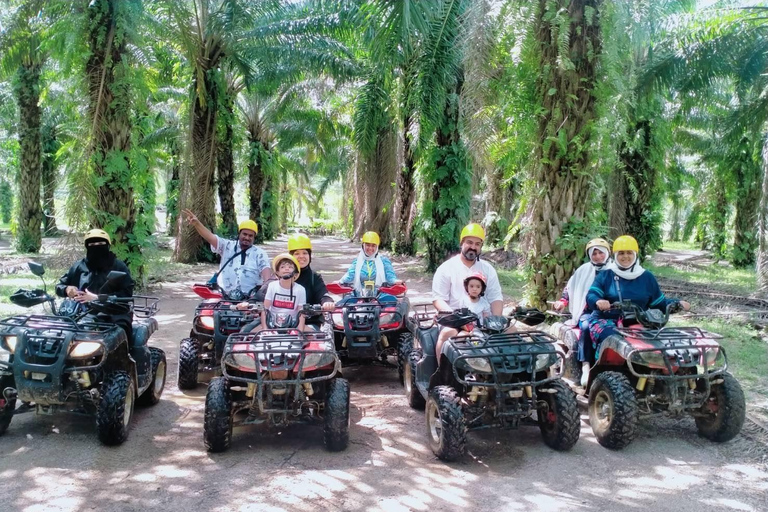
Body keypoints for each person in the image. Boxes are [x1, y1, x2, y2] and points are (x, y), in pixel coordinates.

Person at [585, 235, 690, 368]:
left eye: (629, 252)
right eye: (621, 253)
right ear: (615, 255)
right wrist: (598, 300)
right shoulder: (606, 275)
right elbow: (591, 295)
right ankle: (602, 372)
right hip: (607, 320)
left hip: (640, 321)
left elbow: (659, 303)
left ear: (635, 254)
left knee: (660, 343)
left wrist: (678, 303)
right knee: (612, 339)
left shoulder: (646, 277)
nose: (625, 257)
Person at [55, 229, 135, 338]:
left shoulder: (118, 266)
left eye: (101, 244)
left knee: (120, 333)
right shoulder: (79, 266)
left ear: (108, 245)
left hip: (113, 312)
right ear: (87, 247)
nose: (96, 247)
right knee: (58, 333)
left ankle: (126, 354)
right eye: (92, 244)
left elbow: (127, 293)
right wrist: (67, 289)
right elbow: (60, 286)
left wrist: (97, 298)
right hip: (80, 312)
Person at [553, 238, 611, 384]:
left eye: (601, 253)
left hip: (613, 313)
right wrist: (563, 301)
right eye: (594, 253)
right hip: (588, 311)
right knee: (586, 327)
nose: (598, 256)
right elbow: (571, 287)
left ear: (608, 253)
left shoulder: (616, 270)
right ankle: (586, 365)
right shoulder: (584, 270)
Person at [182, 209, 270, 300]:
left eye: (250, 236)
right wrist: (197, 224)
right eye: (244, 234)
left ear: (254, 237)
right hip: (223, 296)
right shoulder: (227, 246)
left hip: (250, 299)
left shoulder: (260, 254)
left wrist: (263, 293)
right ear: (239, 234)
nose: (247, 238)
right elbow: (210, 237)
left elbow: (267, 277)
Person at [432, 223, 503, 315]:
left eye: (477, 244)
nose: (473, 247)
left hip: (483, 320)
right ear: (462, 243)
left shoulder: (488, 269)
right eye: (469, 242)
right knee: (449, 330)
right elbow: (438, 299)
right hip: (453, 318)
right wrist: (455, 318)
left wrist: (496, 321)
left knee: (512, 329)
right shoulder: (446, 268)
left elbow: (495, 297)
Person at [434, 273, 492, 359]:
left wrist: (485, 327)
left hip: (480, 329)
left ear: (482, 289)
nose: (474, 289)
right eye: (471, 286)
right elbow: (462, 316)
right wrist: (466, 327)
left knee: (488, 342)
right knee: (460, 338)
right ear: (467, 287)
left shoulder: (484, 303)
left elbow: (487, 318)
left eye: (478, 287)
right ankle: (458, 360)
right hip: (466, 327)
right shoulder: (464, 300)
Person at [338, 231, 398, 303]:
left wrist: (396, 281)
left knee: (395, 305)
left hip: (380, 295)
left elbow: (390, 276)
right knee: (341, 306)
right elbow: (349, 275)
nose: (370, 248)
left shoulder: (384, 261)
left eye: (373, 245)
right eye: (368, 245)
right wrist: (339, 282)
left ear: (377, 247)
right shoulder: (356, 262)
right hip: (359, 295)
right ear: (363, 245)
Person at [257, 254, 308, 332]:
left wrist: (300, 332)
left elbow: (301, 313)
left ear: (295, 273)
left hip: (293, 324)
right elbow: (265, 309)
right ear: (277, 272)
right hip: (272, 324)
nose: (286, 269)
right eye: (282, 267)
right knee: (249, 334)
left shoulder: (300, 289)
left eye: (290, 267)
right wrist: (265, 329)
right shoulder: (272, 286)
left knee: (314, 337)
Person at [288, 233, 335, 313]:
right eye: (297, 253)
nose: (301, 256)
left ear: (309, 256)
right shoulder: (282, 275)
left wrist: (327, 301)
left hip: (310, 321)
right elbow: (263, 292)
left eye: (305, 253)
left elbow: (322, 294)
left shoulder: (315, 277)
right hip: (283, 321)